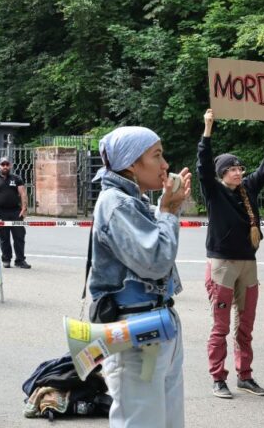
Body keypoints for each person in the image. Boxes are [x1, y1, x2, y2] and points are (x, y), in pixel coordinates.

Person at [88, 126, 191, 428]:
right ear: (132, 164)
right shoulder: (116, 203)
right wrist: (169, 211)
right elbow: (156, 262)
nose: (165, 165)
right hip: (136, 333)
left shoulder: (134, 201)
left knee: (167, 420)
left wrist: (165, 208)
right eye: (156, 155)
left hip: (156, 327)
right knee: (141, 421)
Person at [198, 109, 264, 399]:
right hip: (222, 265)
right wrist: (208, 128)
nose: (238, 172)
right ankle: (218, 378)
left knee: (245, 326)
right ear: (222, 174)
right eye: (232, 169)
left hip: (248, 264)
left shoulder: (248, 189)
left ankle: (245, 376)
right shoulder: (213, 191)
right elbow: (202, 165)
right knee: (221, 326)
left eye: (239, 168)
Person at [0, 157, 31, 269]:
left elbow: (23, 193)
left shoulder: (16, 178)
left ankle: (20, 260)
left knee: (19, 237)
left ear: (10, 165)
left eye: (7, 164)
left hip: (15, 212)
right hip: (0, 213)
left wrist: (24, 208)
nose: (5, 166)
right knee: (4, 238)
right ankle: (6, 259)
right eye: (2, 164)